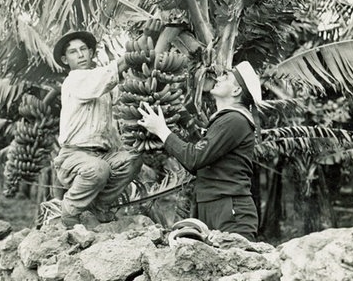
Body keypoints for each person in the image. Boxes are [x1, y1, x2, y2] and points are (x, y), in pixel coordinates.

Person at [137, 61, 261, 241]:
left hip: (230, 210)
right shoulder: (224, 121)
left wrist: (162, 130)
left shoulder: (235, 120)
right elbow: (199, 155)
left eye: (226, 77)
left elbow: (194, 158)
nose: (218, 77)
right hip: (216, 206)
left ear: (236, 91)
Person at [52, 30, 143, 229]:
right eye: (73, 52)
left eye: (84, 49)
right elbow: (112, 73)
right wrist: (140, 45)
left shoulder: (102, 86)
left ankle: (100, 205)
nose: (81, 55)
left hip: (103, 154)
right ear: (65, 59)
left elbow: (121, 86)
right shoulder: (75, 80)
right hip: (74, 156)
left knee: (133, 158)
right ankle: (70, 209)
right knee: (97, 169)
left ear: (91, 52)